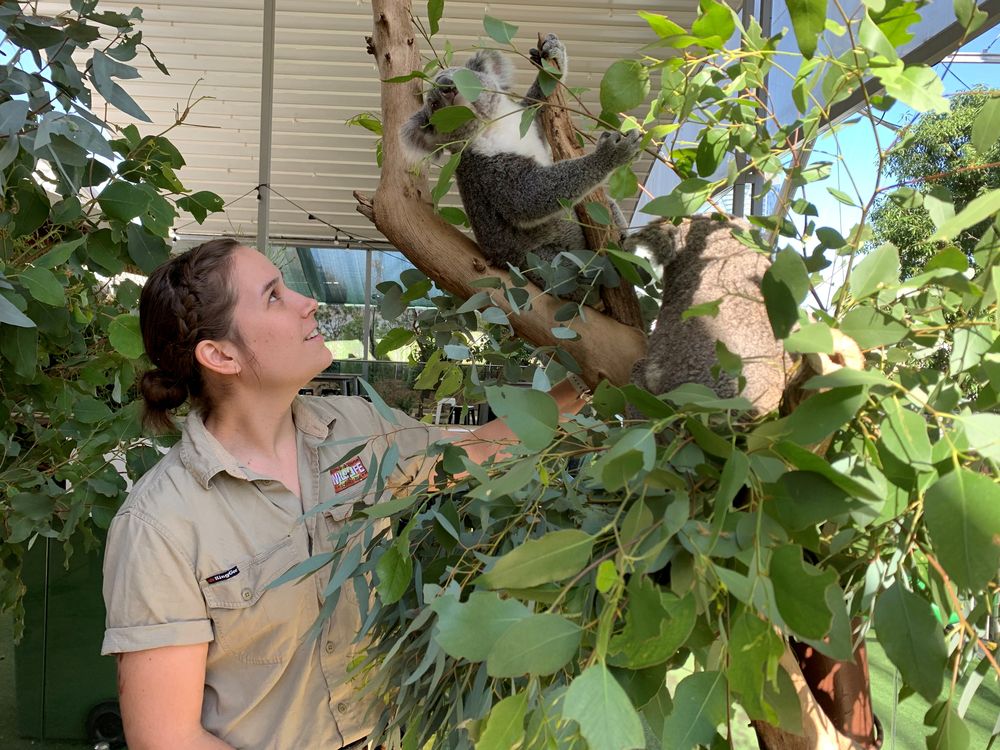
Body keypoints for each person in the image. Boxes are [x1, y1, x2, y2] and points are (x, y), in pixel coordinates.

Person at [100, 238, 588, 750]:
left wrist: (584, 386)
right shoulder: (160, 525)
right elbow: (167, 738)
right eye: (273, 296)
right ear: (220, 355)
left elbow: (466, 456)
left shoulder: (354, 429)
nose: (307, 302)